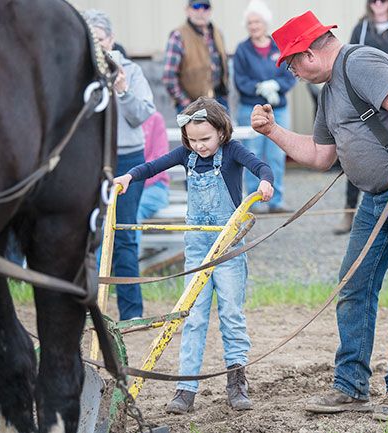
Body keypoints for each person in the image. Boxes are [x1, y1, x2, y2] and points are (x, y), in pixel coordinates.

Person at [252, 10, 388, 420]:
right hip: (378, 196)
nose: (291, 71)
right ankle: (351, 385)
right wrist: (272, 131)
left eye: (291, 62)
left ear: (307, 53)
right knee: (353, 285)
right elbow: (320, 155)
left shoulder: (361, 62)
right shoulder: (330, 92)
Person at [114, 97, 274, 412]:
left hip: (227, 248)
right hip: (197, 249)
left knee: (230, 314)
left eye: (205, 139)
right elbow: (152, 165)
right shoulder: (186, 155)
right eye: (193, 140)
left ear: (221, 132)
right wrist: (129, 177)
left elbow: (261, 166)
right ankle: (186, 388)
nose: (199, 146)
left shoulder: (233, 152)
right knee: (192, 318)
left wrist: (266, 182)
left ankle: (236, 382)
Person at [85, 9, 156, 320]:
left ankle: (131, 313)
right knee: (86, 235)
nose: (95, 45)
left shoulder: (131, 71)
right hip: (87, 159)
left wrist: (122, 89)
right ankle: (91, 307)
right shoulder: (77, 70)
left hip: (126, 159)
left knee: (124, 235)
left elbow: (142, 114)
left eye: (99, 39)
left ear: (111, 40)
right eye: (90, 39)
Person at [334, 0, 388, 235]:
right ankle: (349, 211)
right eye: (374, 0)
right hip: (363, 100)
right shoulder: (361, 28)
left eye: (383, 0)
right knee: (358, 153)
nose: (379, 3)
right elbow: (346, 58)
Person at [234, 0, 296, 213]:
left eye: (257, 21)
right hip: (251, 109)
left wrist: (276, 86)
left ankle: (276, 200)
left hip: (278, 109)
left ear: (265, 23)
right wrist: (259, 88)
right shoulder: (242, 50)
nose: (254, 26)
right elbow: (240, 81)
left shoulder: (278, 47)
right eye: (250, 22)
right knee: (252, 154)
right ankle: (255, 201)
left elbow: (290, 74)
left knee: (277, 154)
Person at [163, 0, 229, 113]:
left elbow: (224, 67)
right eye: (196, 7)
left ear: (210, 11)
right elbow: (169, 77)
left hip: (219, 101)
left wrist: (225, 96)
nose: (201, 11)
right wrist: (186, 103)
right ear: (187, 10)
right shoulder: (178, 36)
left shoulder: (217, 33)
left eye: (205, 7)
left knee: (224, 131)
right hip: (191, 104)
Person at [136, 111, 171, 249]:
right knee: (105, 213)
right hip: (125, 187)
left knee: (133, 210)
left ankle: (130, 265)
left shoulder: (154, 119)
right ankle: (99, 267)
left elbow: (160, 161)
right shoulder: (117, 118)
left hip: (154, 187)